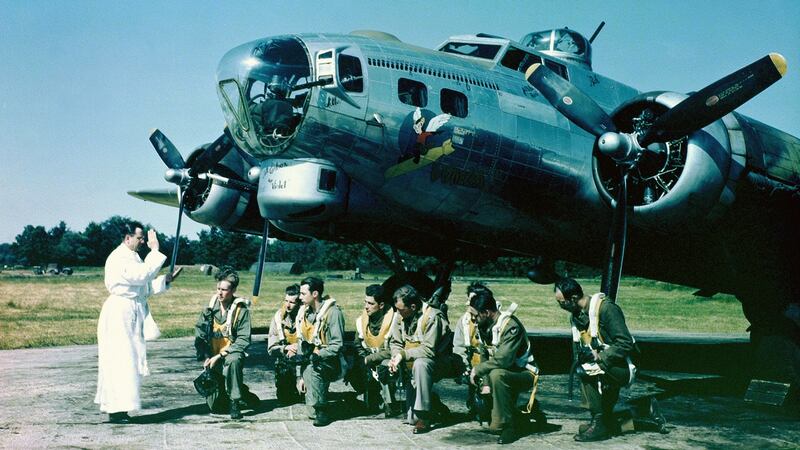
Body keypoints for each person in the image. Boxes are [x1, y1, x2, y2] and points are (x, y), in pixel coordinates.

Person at [95, 222, 181, 423]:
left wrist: (166, 280)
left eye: (143, 238)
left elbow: (143, 287)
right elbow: (142, 275)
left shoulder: (132, 257)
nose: (142, 241)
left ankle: (121, 408)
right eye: (139, 238)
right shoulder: (119, 257)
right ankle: (116, 410)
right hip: (119, 313)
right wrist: (155, 250)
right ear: (127, 238)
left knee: (129, 359)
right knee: (121, 359)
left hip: (130, 310)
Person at [554, 277, 637, 442]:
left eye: (562, 302)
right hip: (604, 364)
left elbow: (625, 343)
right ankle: (640, 412)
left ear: (574, 299)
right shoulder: (577, 316)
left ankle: (599, 423)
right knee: (584, 368)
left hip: (622, 366)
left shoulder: (606, 309)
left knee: (585, 370)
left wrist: (600, 357)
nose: (561, 307)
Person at [469, 290, 546, 444]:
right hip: (505, 372)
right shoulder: (485, 326)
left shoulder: (510, 326)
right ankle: (523, 415)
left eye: (475, 315)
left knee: (497, 375)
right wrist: (485, 384)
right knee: (491, 384)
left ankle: (509, 427)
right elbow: (484, 355)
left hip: (525, 372)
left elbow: (504, 360)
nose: (472, 319)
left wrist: (478, 370)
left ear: (487, 312)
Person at [195, 268, 259, 420]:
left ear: (233, 290)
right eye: (218, 289)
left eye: (224, 290)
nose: (220, 293)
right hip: (213, 357)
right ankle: (242, 392)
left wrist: (221, 355)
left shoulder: (240, 310)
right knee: (216, 407)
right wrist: (204, 355)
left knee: (233, 361)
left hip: (230, 354)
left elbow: (244, 339)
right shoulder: (210, 308)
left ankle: (235, 401)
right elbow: (200, 333)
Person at [387, 284, 450, 434]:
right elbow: (395, 342)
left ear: (413, 307)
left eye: (401, 309)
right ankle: (432, 403)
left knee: (421, 364)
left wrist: (403, 355)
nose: (397, 312)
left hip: (438, 363)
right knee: (411, 420)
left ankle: (425, 416)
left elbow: (429, 350)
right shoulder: (400, 315)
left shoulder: (432, 317)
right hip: (412, 365)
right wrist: (395, 357)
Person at [285, 276, 346, 427]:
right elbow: (301, 344)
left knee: (312, 367)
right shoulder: (304, 314)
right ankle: (318, 403)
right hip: (311, 360)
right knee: (310, 413)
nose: (299, 297)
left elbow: (337, 344)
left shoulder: (333, 313)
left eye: (303, 294)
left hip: (332, 361)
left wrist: (318, 355)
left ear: (315, 294)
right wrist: (300, 376)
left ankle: (322, 410)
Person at [354, 284, 401, 416]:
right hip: (368, 359)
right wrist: (363, 359)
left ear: (381, 305)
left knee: (384, 367)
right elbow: (357, 344)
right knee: (353, 367)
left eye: (370, 303)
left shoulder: (394, 321)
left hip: (390, 361)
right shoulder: (361, 321)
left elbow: (394, 349)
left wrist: (369, 359)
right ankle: (371, 393)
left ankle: (390, 401)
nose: (366, 306)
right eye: (365, 302)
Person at [267, 284, 302, 405]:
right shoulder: (278, 318)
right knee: (284, 399)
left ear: (300, 303)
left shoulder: (307, 316)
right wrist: (286, 347)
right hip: (286, 357)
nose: (288, 305)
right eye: (286, 300)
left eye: (292, 302)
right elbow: (271, 348)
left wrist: (298, 348)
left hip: (304, 356)